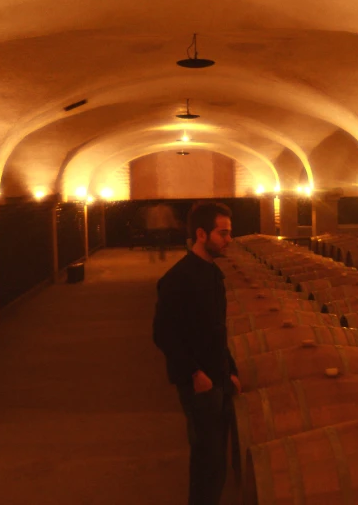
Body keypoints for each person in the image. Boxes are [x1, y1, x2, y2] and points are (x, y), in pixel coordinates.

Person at [152, 202, 240, 505]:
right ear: (202, 234)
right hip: (198, 383)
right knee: (206, 458)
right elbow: (163, 334)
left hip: (218, 378)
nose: (229, 239)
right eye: (223, 233)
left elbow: (216, 330)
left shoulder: (212, 273)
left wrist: (231, 369)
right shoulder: (178, 279)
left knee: (217, 459)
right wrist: (194, 373)